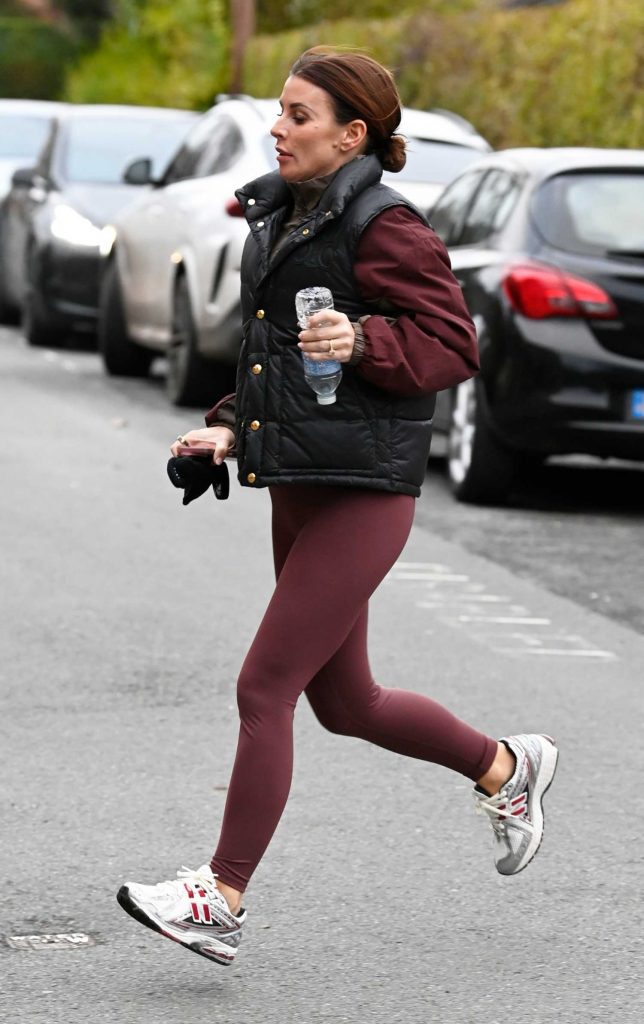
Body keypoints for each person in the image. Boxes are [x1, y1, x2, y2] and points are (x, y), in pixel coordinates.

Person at [117, 48, 558, 967]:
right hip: (303, 480)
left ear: (351, 134)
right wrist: (231, 428)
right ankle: (505, 770)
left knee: (263, 686)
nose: (276, 128)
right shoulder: (282, 216)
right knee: (345, 700)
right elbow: (272, 351)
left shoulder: (385, 224)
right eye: (278, 111)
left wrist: (363, 338)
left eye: (297, 115)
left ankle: (221, 896)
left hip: (365, 489)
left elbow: (451, 343)